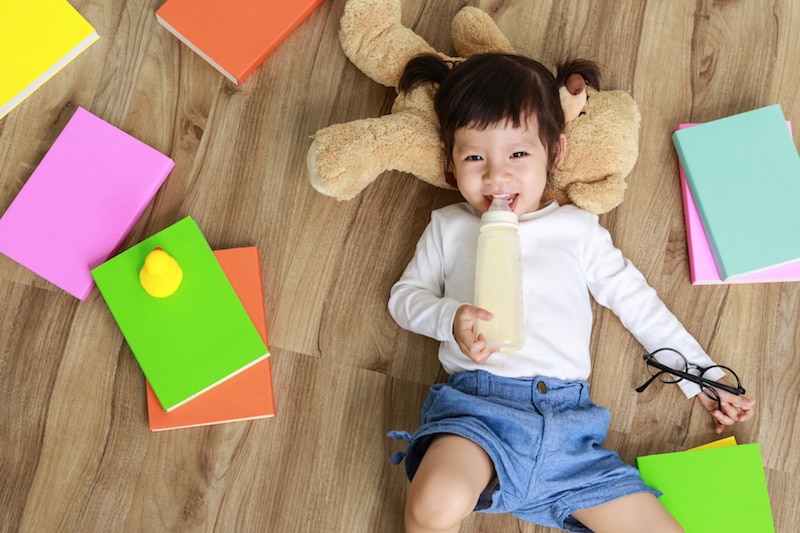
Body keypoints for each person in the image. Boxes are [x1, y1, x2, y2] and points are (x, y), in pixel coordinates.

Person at [386, 53, 755, 533]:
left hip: (569, 434)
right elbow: (404, 299)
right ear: (451, 164)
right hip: (477, 415)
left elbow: (636, 302)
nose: (497, 176)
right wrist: (449, 319)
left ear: (554, 153)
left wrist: (702, 376)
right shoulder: (450, 226)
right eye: (475, 156)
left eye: (518, 154)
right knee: (435, 498)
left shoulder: (576, 231)